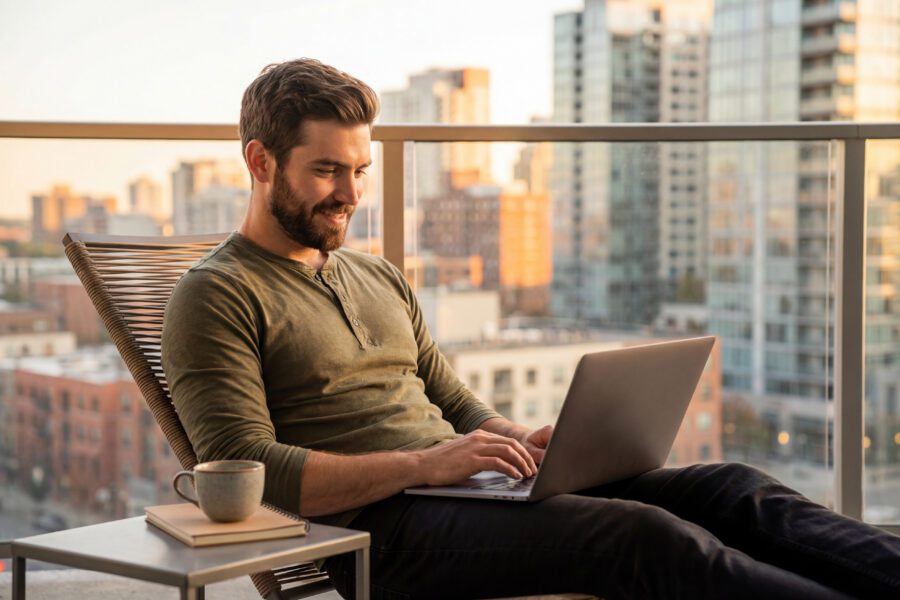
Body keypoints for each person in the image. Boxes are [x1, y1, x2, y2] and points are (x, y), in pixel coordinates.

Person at [161, 58, 900, 600]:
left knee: (734, 490)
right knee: (644, 538)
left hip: (469, 494)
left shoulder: (375, 275)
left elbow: (455, 404)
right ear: (259, 161)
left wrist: (524, 443)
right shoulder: (216, 295)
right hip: (376, 537)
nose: (352, 193)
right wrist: (427, 466)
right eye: (328, 171)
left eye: (359, 169)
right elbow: (246, 474)